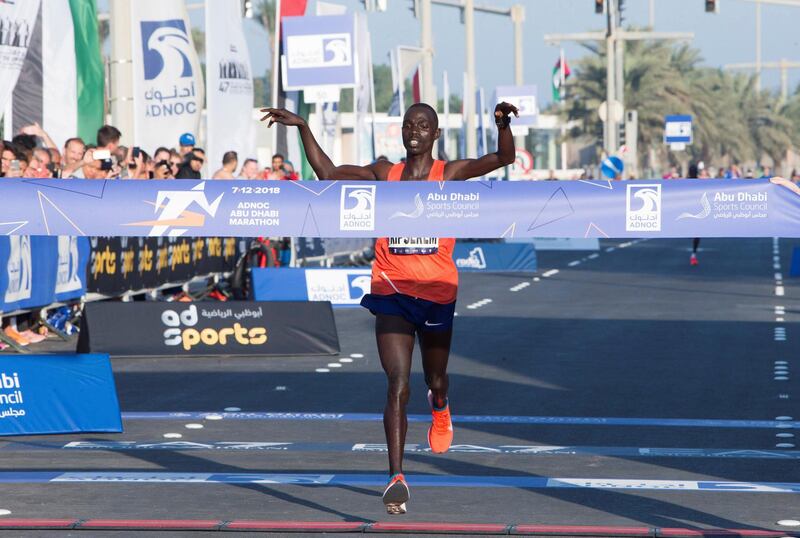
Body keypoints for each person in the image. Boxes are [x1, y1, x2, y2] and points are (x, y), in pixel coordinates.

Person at [261, 100, 519, 515]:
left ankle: (440, 407)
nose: (414, 130)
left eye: (423, 125)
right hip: (391, 289)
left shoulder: (448, 174)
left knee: (435, 378)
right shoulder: (385, 174)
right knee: (398, 382)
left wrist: (503, 125)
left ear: (435, 135)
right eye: (408, 124)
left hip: (436, 290)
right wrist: (303, 127)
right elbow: (327, 174)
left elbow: (504, 157)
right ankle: (396, 477)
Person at [688, 163, 701, 266]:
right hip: (694, 212)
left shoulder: (684, 183)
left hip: (691, 211)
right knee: (696, 234)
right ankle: (693, 254)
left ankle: (693, 255)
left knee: (696, 234)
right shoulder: (700, 183)